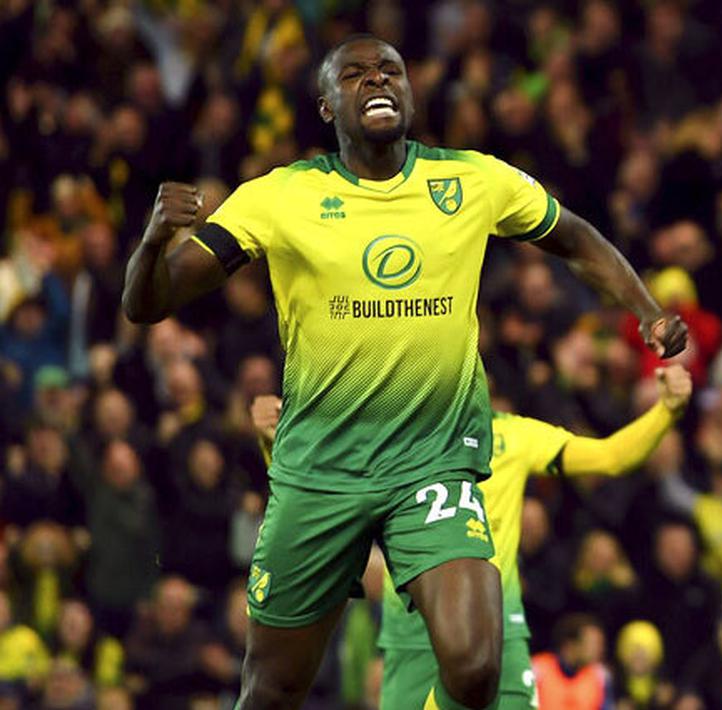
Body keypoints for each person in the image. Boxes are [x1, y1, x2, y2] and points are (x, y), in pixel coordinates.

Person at [122, 34, 687, 710]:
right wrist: (153, 243)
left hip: (431, 463)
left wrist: (647, 311)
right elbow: (148, 304)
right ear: (326, 107)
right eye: (354, 74)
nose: (376, 80)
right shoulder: (281, 196)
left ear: (410, 92)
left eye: (389, 69)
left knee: (476, 669)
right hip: (320, 471)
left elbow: (575, 236)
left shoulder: (472, 180)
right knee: (274, 688)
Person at [252, 364, 693, 709]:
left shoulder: (515, 435)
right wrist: (274, 444)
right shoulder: (390, 438)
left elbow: (611, 457)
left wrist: (667, 410)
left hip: (496, 627)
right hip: (413, 629)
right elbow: (319, 503)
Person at [532, 614, 614, 710]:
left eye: (600, 645)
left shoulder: (600, 676)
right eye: (593, 644)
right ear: (570, 645)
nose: (600, 650)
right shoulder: (538, 669)